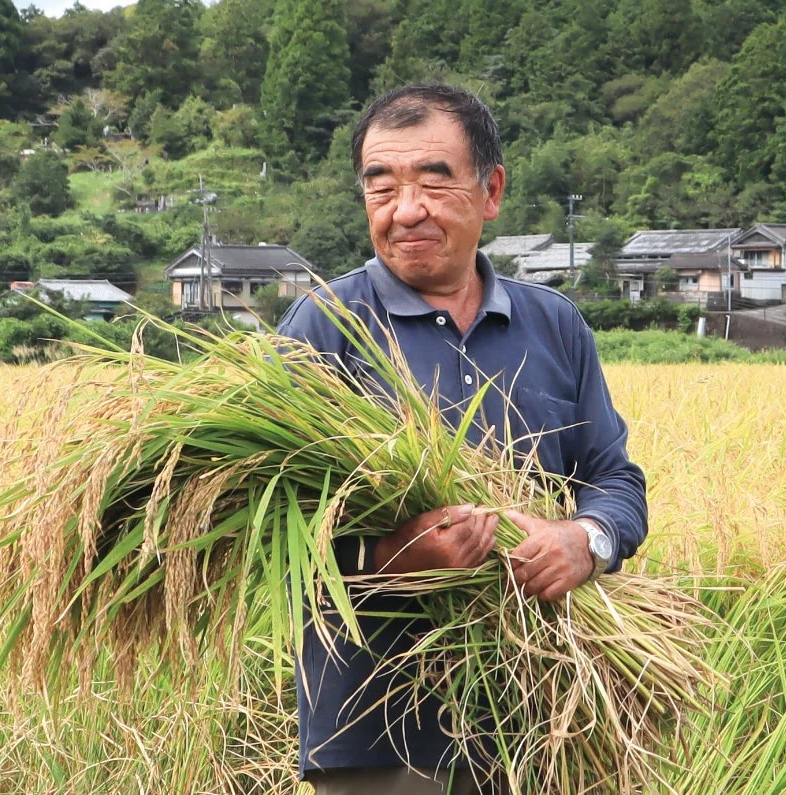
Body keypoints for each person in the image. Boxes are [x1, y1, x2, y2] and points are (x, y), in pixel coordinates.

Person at [277, 84, 647, 795]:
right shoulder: (324, 328)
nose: (405, 209)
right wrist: (393, 556)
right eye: (380, 186)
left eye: (433, 181)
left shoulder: (555, 324)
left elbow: (614, 479)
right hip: (379, 737)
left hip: (548, 718)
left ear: (492, 190)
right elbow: (272, 532)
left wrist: (585, 539)